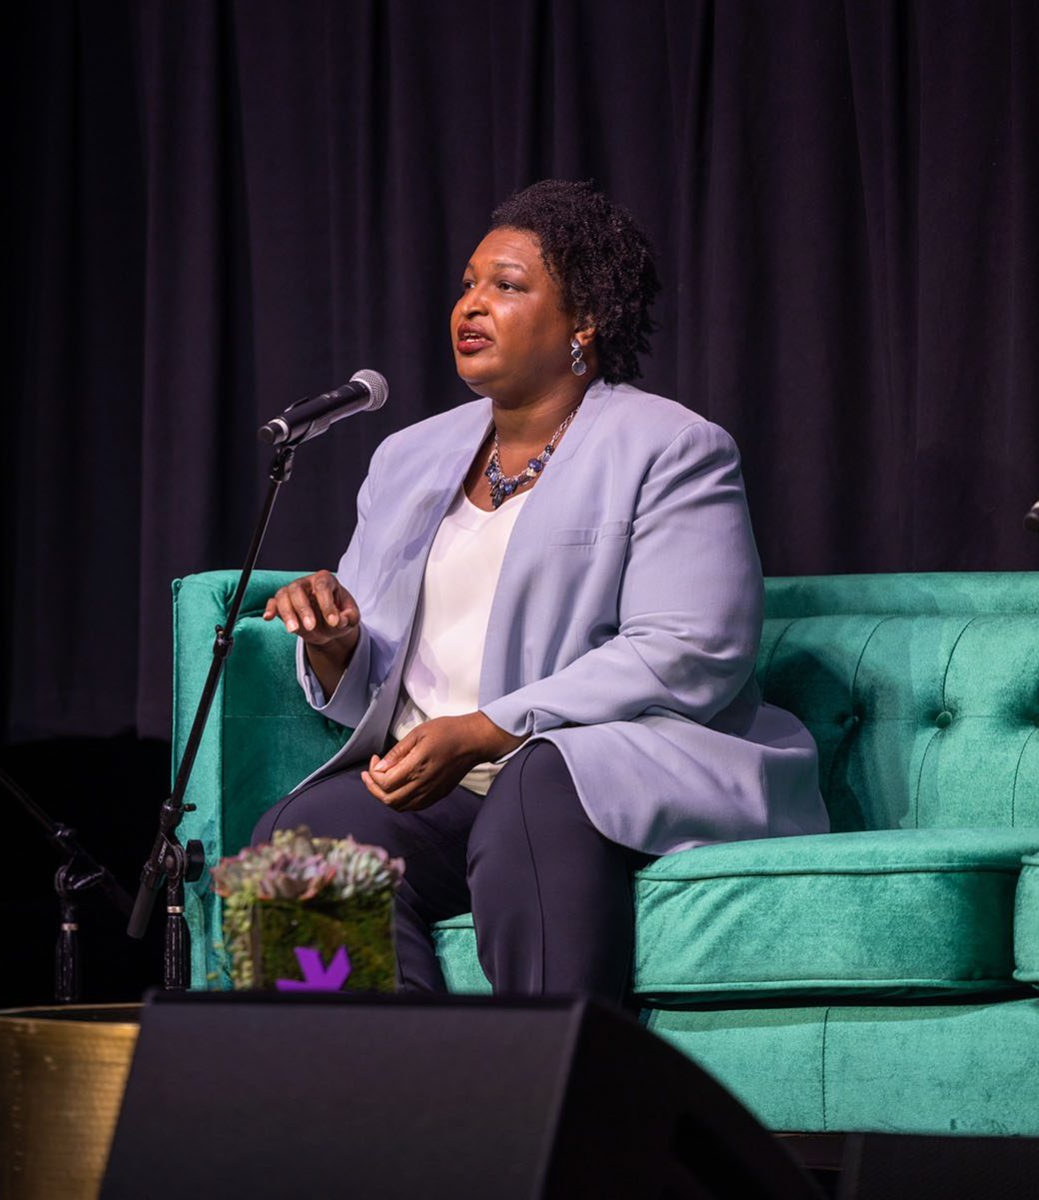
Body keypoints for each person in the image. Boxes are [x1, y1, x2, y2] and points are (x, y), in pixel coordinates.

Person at [253, 180, 828, 1003]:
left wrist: (489, 729)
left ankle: (559, 1098)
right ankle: (376, 1097)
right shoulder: (409, 458)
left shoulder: (669, 447)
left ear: (583, 322)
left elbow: (691, 650)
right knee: (297, 840)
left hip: (611, 773)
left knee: (535, 785)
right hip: (454, 790)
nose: (470, 306)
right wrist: (336, 641)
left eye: (507, 286)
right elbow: (373, 685)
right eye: (467, 284)